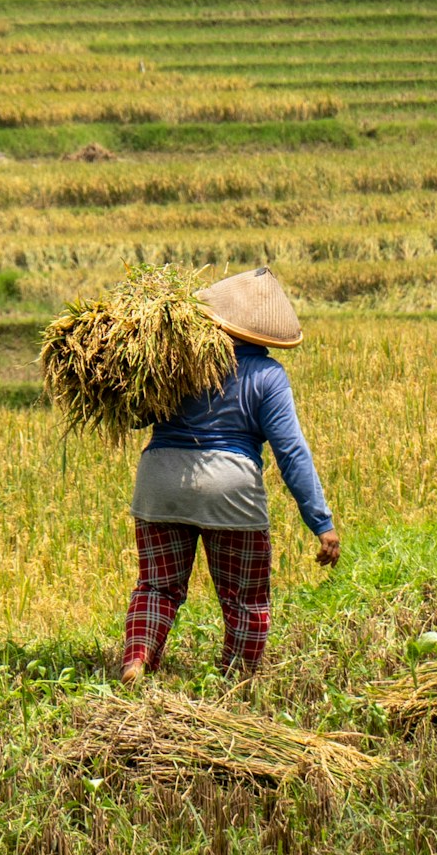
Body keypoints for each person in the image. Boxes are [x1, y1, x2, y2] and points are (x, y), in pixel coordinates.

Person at [119, 266, 339, 684]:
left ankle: (137, 660)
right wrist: (321, 522)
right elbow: (290, 451)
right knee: (245, 601)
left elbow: (132, 416)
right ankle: (236, 683)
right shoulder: (268, 376)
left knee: (157, 588)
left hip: (160, 480)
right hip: (230, 488)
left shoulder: (177, 358)